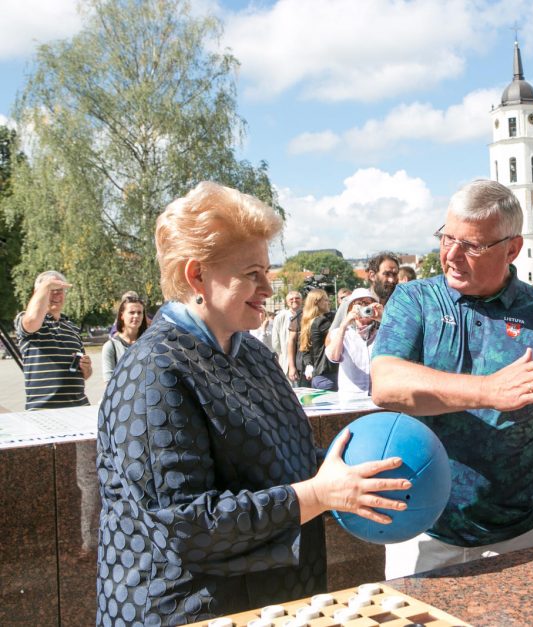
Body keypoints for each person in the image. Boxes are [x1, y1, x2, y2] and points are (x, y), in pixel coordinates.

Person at [95, 182, 410, 625]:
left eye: (266, 270)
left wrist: (360, 471)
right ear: (195, 275)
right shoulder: (152, 371)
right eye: (251, 274)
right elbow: (186, 525)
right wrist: (319, 493)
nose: (268, 287)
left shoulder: (251, 351)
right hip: (185, 610)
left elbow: (282, 460)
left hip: (269, 605)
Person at [371, 179, 533, 577]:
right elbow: (385, 384)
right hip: (425, 531)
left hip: (523, 536)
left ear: (512, 249)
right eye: (447, 238)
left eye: (472, 246)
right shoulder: (417, 300)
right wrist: (488, 391)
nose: (451, 255)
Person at [15, 270, 92, 410]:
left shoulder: (72, 327)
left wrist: (86, 368)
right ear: (38, 293)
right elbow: (32, 320)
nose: (56, 294)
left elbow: (85, 375)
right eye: (51, 289)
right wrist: (45, 286)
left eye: (60, 290)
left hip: (79, 407)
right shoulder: (26, 319)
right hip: (43, 410)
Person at [326, 288, 382, 394]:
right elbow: (333, 357)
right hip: (351, 399)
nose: (363, 308)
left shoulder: (383, 333)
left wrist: (382, 318)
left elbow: (402, 345)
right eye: (359, 304)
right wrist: (344, 325)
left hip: (377, 397)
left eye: (367, 303)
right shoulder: (341, 334)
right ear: (351, 309)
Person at [101, 294, 148, 383]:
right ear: (122, 315)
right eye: (131, 312)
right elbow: (108, 381)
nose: (136, 316)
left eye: (139, 312)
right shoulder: (111, 347)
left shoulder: (149, 343)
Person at [297, 289, 337, 390]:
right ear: (316, 302)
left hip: (318, 377)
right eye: (326, 300)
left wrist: (309, 365)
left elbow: (305, 348)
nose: (329, 302)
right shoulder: (321, 322)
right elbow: (339, 331)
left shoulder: (308, 322)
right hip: (328, 375)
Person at [272, 290, 302, 377]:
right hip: (287, 361)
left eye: (297, 298)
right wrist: (284, 356)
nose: (294, 300)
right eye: (291, 299)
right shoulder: (280, 317)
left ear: (302, 300)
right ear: (287, 302)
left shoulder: (307, 315)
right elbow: (275, 342)